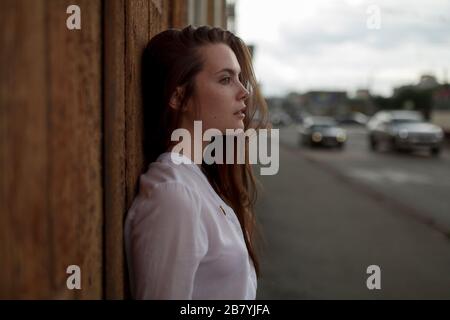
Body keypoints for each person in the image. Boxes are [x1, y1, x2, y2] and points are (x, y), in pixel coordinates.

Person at [124, 25, 269, 300]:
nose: (244, 92)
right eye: (226, 79)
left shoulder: (199, 179)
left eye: (239, 78)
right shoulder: (174, 195)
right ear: (180, 97)